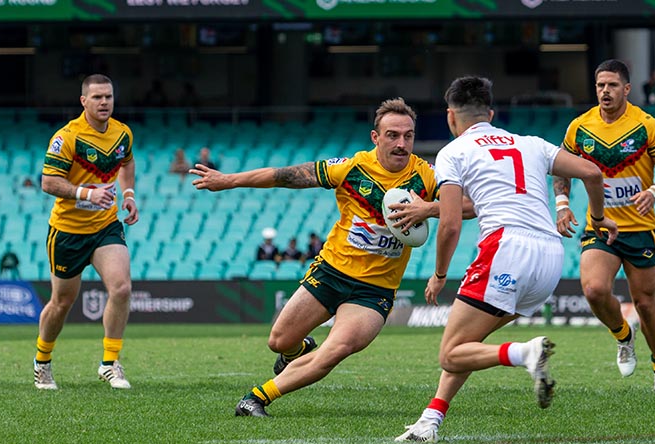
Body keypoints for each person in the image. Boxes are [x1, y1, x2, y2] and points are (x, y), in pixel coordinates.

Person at [191, 98, 456, 417]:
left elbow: (466, 206)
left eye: (408, 135)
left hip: (374, 291)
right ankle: (299, 349)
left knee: (337, 348)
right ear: (376, 137)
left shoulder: (426, 176)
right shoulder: (351, 169)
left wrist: (428, 208)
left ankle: (257, 398)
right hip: (331, 273)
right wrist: (229, 180)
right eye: (392, 135)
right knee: (279, 341)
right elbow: (285, 175)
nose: (401, 143)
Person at [395, 76, 618, 442]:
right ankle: (430, 421)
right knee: (468, 344)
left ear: (451, 116)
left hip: (506, 248)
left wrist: (439, 273)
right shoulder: (530, 144)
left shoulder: (454, 152)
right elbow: (592, 172)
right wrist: (596, 217)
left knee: (450, 354)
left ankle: (525, 353)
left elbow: (451, 224)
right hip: (548, 256)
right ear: (491, 114)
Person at [553, 59, 655, 391]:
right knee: (594, 290)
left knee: (645, 304)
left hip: (639, 228)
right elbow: (561, 168)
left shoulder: (646, 125)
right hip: (600, 225)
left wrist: (654, 191)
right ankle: (624, 335)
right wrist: (563, 204)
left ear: (626, 88)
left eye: (611, 85)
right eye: (600, 86)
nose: (605, 91)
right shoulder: (580, 127)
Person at [33, 73, 139, 390]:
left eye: (108, 96)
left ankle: (109, 363)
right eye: (97, 97)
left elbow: (128, 163)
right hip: (67, 230)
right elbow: (48, 182)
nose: (104, 102)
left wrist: (129, 195)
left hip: (105, 225)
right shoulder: (67, 137)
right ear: (84, 101)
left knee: (121, 288)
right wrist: (86, 193)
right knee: (62, 302)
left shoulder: (122, 133)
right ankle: (42, 362)